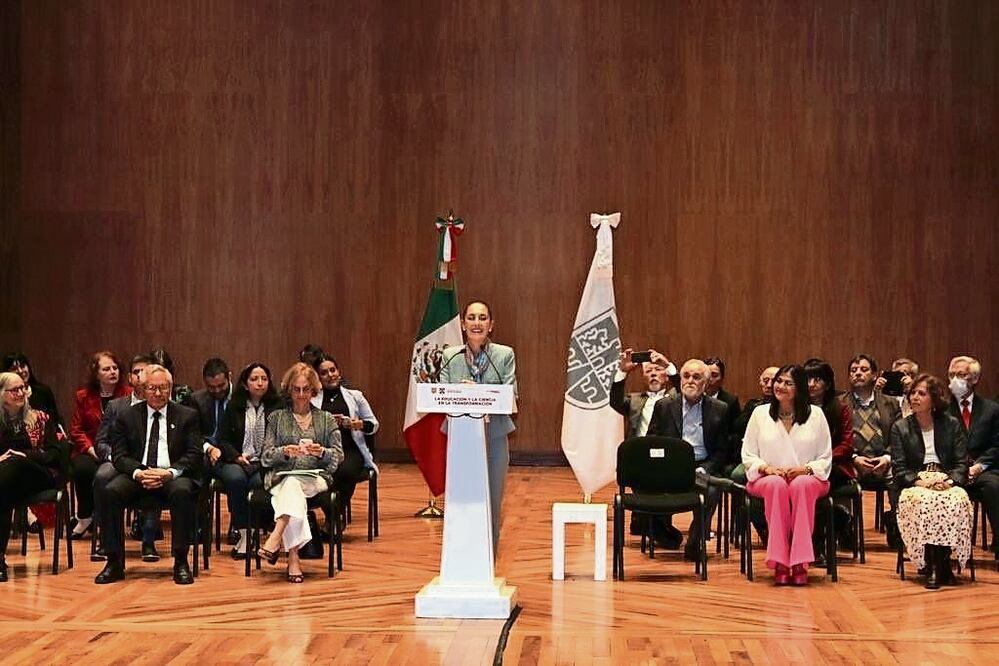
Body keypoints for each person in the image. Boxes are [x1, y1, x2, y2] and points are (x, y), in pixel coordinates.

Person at [94, 364, 203, 585]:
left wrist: (169, 473)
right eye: (152, 388)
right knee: (110, 492)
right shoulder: (126, 415)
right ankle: (114, 562)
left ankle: (181, 562)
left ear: (170, 388)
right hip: (138, 474)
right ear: (143, 389)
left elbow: (194, 454)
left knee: (183, 492)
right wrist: (138, 473)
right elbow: (119, 455)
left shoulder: (187, 416)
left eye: (163, 388)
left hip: (172, 475)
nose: (157, 393)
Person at [742, 364, 832, 586]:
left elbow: (825, 456)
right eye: (779, 381)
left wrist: (807, 469)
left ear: (799, 388)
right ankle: (780, 561)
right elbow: (748, 453)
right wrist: (765, 468)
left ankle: (800, 562)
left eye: (788, 383)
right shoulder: (759, 414)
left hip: (808, 477)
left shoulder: (817, 415)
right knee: (776, 485)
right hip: (767, 477)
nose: (780, 386)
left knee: (801, 485)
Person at [440, 300, 517, 550]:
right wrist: (464, 394)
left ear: (491, 325)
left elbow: (510, 397)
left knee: (492, 501)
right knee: (460, 501)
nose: (477, 323)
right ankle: (459, 558)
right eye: (471, 318)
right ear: (463, 324)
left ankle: (488, 563)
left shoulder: (503, 355)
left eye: (482, 318)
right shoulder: (450, 356)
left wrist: (479, 392)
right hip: (460, 438)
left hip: (494, 436)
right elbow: (442, 393)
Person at [257, 362, 343, 583]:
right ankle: (293, 558)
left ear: (314, 390)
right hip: (282, 478)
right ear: (289, 390)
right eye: (297, 389)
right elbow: (265, 457)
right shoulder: (276, 418)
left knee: (293, 485)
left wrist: (321, 452)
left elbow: (338, 456)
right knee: (292, 485)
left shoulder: (326, 419)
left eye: (306, 389)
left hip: (315, 478)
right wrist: (284, 452)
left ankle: (277, 537)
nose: (302, 395)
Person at [890, 374, 971, 589]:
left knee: (956, 501)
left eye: (921, 393)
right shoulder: (900, 427)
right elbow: (899, 468)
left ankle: (940, 562)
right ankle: (937, 566)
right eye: (913, 393)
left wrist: (950, 481)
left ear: (934, 400)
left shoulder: (951, 424)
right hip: (916, 480)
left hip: (945, 478)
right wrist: (920, 482)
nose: (915, 397)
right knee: (925, 501)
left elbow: (962, 462)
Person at [647, 358, 730, 560]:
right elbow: (652, 441)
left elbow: (722, 450)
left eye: (696, 377)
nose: (690, 381)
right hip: (670, 466)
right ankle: (665, 534)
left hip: (701, 466)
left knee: (711, 490)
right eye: (686, 376)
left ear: (707, 383)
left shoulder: (720, 409)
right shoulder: (664, 406)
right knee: (648, 486)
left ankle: (694, 544)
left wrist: (706, 468)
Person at [0, 372, 68, 582]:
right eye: (15, 390)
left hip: (39, 474)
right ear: (1, 394)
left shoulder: (41, 417)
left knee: (13, 465)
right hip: (8, 481)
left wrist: (25, 456)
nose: (21, 393)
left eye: (23, 388)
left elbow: (55, 454)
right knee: (4, 494)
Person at [610, 347, 680, 546]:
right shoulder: (635, 400)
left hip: (666, 457)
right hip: (639, 457)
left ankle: (646, 521)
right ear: (643, 379)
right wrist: (623, 371)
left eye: (657, 370)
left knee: (663, 477)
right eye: (648, 372)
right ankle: (649, 523)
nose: (653, 375)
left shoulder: (676, 398)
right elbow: (614, 401)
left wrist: (669, 365)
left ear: (666, 376)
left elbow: (683, 388)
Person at [211, 362, 282, 558]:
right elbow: (222, 439)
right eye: (254, 379)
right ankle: (243, 534)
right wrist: (236, 456)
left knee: (258, 482)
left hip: (264, 462)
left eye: (264, 379)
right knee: (236, 479)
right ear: (244, 383)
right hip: (235, 459)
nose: (259, 383)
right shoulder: (234, 406)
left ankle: (255, 531)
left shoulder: (278, 407)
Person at [91, 353, 154, 560]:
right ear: (129, 378)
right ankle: (106, 540)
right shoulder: (116, 406)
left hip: (148, 461)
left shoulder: (161, 405)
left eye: (145, 372)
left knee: (153, 473)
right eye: (136, 372)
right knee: (101, 477)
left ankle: (148, 541)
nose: (140, 377)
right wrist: (114, 456)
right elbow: (100, 441)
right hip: (118, 460)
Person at [68, 351, 132, 539]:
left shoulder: (128, 394)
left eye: (115, 368)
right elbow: (76, 430)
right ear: (96, 374)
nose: (113, 372)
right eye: (107, 369)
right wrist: (90, 449)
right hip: (89, 448)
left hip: (118, 450)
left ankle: (107, 521)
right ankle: (85, 516)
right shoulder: (83, 396)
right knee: (82, 470)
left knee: (107, 475)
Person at [946, 356, 999, 554]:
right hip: (952, 468)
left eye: (961, 375)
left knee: (994, 486)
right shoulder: (941, 409)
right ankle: (942, 551)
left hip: (981, 469)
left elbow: (996, 445)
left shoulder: (992, 409)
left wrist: (979, 466)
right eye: (951, 375)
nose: (955, 380)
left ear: (974, 379)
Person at [311, 354, 379, 505]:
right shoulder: (312, 399)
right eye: (324, 373)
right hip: (323, 449)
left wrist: (358, 424)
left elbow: (373, 424)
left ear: (339, 372)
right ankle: (332, 514)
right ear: (318, 378)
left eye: (332, 370)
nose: (330, 375)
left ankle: (334, 515)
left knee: (344, 471)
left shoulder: (355, 396)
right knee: (322, 472)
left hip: (351, 449)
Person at [804, 358, 855, 553]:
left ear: (827, 383)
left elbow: (847, 444)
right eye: (808, 379)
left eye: (817, 379)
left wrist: (824, 458)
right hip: (805, 465)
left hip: (835, 465)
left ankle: (820, 543)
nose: (811, 384)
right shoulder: (799, 408)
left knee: (818, 480)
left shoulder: (840, 407)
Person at [843, 354, 901, 483]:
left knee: (901, 475)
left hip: (886, 462)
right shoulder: (839, 403)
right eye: (853, 370)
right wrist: (854, 458)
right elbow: (836, 438)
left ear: (875, 375)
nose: (858, 373)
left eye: (864, 370)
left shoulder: (891, 403)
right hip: (852, 461)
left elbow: (897, 437)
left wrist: (886, 458)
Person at [1, 353, 62, 427]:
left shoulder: (43, 391)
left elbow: (55, 419)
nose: (20, 371)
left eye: (23, 366)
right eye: (14, 368)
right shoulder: (4, 395)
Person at [184, 357, 233, 447]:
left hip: (233, 452)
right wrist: (208, 448)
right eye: (211, 387)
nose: (217, 391)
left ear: (229, 377)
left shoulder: (240, 397)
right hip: (205, 451)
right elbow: (193, 433)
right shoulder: (197, 400)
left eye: (221, 385)